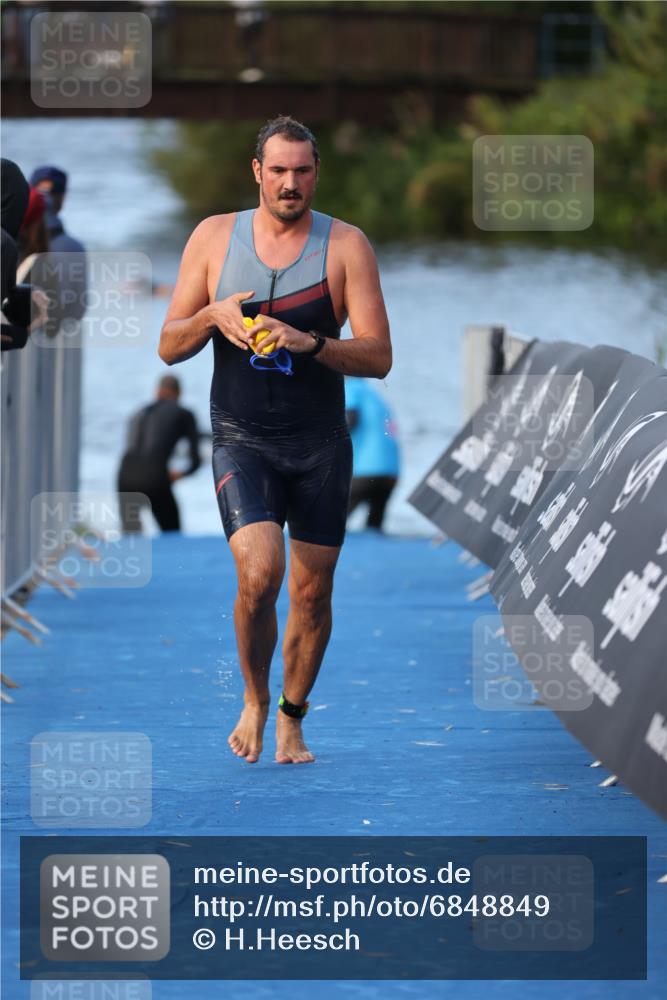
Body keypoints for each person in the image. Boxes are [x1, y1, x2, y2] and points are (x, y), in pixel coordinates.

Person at [159, 115, 392, 765]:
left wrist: (308, 342)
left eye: (302, 171)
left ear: (316, 174)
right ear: (257, 172)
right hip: (242, 438)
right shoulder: (213, 237)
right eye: (279, 170)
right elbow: (169, 345)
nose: (291, 183)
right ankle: (255, 698)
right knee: (260, 575)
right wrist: (211, 316)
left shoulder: (346, 245)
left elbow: (379, 355)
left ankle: (292, 714)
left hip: (320, 445)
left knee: (312, 596)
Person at [117, 375, 201, 534]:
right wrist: (182, 473)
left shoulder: (138, 413)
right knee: (172, 535)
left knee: (130, 536)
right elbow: (195, 461)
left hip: (124, 476)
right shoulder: (184, 414)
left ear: (157, 391)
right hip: (154, 477)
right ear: (179, 393)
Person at [29, 165, 87, 338]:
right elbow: (78, 311)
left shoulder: (8, 240)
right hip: (52, 342)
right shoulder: (73, 248)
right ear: (62, 198)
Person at [345, 377, 399, 531]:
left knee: (331, 523)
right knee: (375, 526)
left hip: (365, 469)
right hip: (391, 470)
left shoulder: (351, 388)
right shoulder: (375, 395)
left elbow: (351, 420)